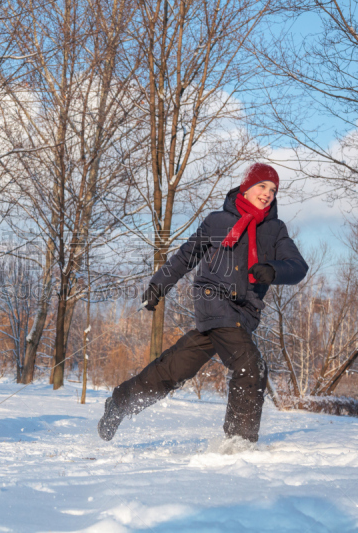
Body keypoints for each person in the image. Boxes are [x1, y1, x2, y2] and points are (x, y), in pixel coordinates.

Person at [98, 163, 308, 444]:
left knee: (175, 367)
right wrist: (158, 285)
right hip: (214, 300)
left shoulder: (274, 229)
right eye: (262, 186)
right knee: (250, 365)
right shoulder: (218, 221)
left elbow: (298, 266)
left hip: (243, 314)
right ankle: (238, 443)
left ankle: (120, 403)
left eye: (273, 190)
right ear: (246, 187)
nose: (267, 193)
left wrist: (273, 269)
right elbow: (187, 256)